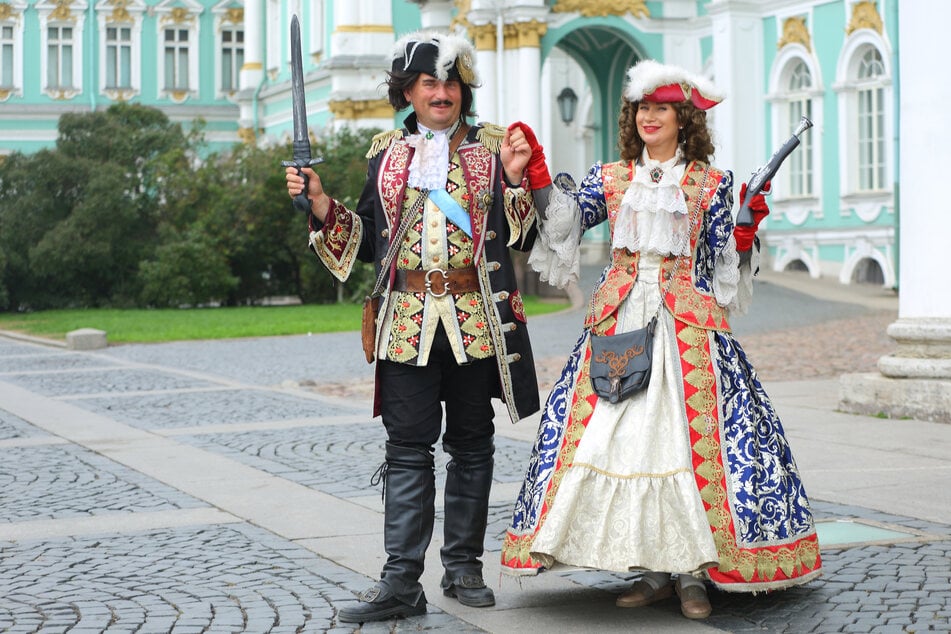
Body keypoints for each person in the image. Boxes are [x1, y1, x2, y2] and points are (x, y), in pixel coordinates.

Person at [500, 59, 822, 620]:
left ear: (683, 117)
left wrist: (745, 231)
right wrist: (539, 174)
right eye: (642, 108)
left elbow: (730, 264)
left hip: (688, 327)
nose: (649, 116)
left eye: (661, 107)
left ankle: (693, 573)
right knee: (615, 438)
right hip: (621, 320)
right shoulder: (614, 177)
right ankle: (650, 569)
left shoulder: (711, 185)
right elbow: (565, 223)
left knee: (682, 440)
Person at [285, 31, 550, 623]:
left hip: (474, 320)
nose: (441, 92)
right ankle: (402, 579)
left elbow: (523, 236)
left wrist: (512, 180)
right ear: (408, 91)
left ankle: (463, 567)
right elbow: (365, 235)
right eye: (429, 82)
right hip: (405, 320)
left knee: (473, 446)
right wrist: (323, 203)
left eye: (450, 82)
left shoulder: (491, 148)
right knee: (407, 449)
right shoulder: (385, 152)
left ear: (464, 90)